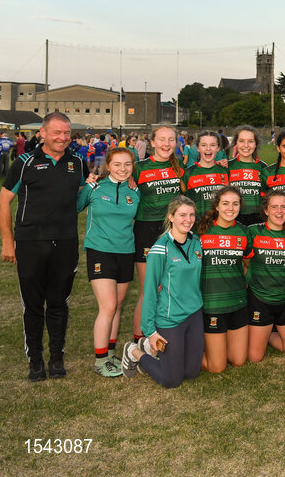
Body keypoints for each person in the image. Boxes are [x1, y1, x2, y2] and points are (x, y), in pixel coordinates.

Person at [0, 112, 88, 381]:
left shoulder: (77, 162)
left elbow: (82, 195)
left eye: (66, 133)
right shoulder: (24, 162)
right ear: (43, 133)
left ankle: (56, 358)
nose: (63, 138)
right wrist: (7, 242)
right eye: (57, 132)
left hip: (66, 242)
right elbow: (2, 202)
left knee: (59, 304)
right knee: (33, 305)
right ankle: (35, 361)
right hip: (30, 243)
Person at [120, 196, 203, 388]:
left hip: (194, 314)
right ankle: (134, 351)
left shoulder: (197, 242)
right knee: (172, 381)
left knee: (191, 372)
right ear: (171, 217)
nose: (188, 220)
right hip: (170, 318)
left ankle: (150, 349)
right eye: (182, 215)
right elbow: (149, 292)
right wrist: (149, 331)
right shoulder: (160, 249)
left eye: (191, 215)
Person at [77, 147, 139, 377]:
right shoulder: (94, 187)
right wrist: (84, 184)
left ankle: (110, 354)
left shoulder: (135, 191)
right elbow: (74, 207)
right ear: (108, 166)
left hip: (126, 251)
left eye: (127, 164)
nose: (123, 169)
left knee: (118, 305)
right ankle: (100, 360)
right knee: (108, 306)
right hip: (100, 251)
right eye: (117, 164)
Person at [130, 126, 184, 342]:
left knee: (171, 287)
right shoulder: (138, 168)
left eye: (171, 139)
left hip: (172, 230)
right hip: (146, 230)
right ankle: (139, 340)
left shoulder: (180, 168)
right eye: (161, 139)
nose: (166, 144)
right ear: (152, 142)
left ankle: (165, 334)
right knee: (149, 289)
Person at [195, 186, 250, 373]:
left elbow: (248, 263)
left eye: (235, 204)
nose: (230, 208)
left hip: (238, 302)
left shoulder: (243, 232)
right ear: (217, 206)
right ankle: (177, 352)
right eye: (225, 203)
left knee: (238, 360)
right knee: (217, 367)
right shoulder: (201, 230)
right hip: (212, 303)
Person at [246, 191, 285, 360]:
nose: (279, 211)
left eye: (283, 207)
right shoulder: (253, 231)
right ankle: (263, 332)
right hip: (260, 298)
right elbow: (245, 259)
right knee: (254, 357)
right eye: (274, 207)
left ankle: (270, 334)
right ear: (266, 210)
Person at [180, 131, 230, 215]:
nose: (208, 148)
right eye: (204, 145)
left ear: (218, 148)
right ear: (198, 148)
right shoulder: (188, 174)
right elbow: (182, 203)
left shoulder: (225, 171)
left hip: (221, 222)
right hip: (198, 222)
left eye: (212, 145)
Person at [227, 125, 267, 227]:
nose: (246, 145)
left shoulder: (263, 167)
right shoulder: (227, 167)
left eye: (250, 141)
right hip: (233, 218)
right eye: (241, 141)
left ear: (256, 144)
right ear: (236, 143)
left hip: (258, 219)